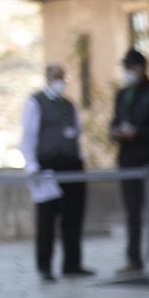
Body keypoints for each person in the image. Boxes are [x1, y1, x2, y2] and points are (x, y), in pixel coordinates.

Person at [18, 63, 91, 281]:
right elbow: (28, 136)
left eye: (62, 76)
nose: (60, 80)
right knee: (47, 218)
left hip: (71, 164)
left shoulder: (68, 105)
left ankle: (72, 264)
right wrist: (31, 163)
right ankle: (45, 266)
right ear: (48, 77)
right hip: (48, 165)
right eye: (56, 76)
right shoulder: (35, 102)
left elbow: (76, 133)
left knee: (73, 216)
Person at [110, 49, 149, 276]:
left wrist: (138, 133)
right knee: (132, 212)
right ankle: (134, 259)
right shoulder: (122, 95)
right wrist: (116, 133)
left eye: (132, 68)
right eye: (126, 68)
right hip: (128, 162)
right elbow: (115, 122)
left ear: (142, 68)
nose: (128, 72)